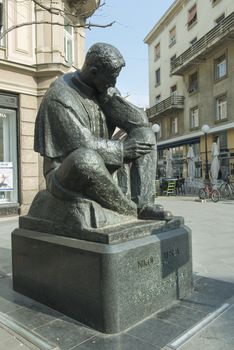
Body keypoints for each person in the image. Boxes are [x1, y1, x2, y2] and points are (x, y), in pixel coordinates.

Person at [34, 42, 172, 223]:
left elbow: (140, 123)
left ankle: (143, 204)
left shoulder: (103, 90)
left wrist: (111, 100)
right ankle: (128, 211)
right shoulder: (60, 96)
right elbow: (82, 144)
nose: (113, 83)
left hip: (104, 164)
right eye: (111, 78)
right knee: (86, 158)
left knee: (145, 136)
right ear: (93, 72)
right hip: (65, 173)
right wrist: (123, 150)